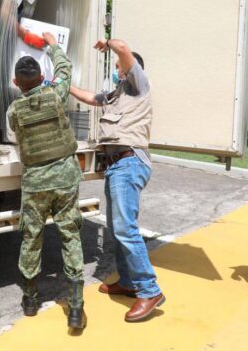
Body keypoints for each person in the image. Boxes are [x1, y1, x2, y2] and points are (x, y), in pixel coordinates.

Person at [69, 38, 165, 323]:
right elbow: (90, 98)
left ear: (129, 69)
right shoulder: (116, 94)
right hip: (116, 166)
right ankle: (128, 281)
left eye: (118, 67)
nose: (115, 70)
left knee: (126, 229)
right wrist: (64, 86)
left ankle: (149, 290)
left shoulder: (139, 85)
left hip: (130, 162)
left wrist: (108, 43)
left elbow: (123, 49)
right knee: (117, 229)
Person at [6, 32, 87, 330]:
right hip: (65, 179)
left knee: (32, 238)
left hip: (36, 183)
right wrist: (52, 45)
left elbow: (16, 131)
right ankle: (76, 307)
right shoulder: (56, 94)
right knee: (70, 235)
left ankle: (30, 301)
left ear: (16, 83)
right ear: (42, 77)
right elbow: (65, 68)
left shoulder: (14, 111)